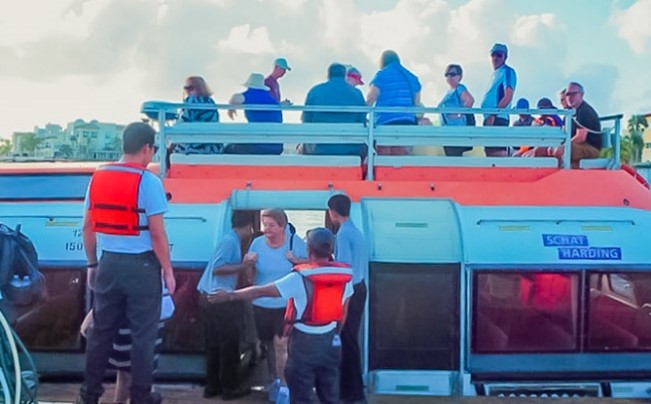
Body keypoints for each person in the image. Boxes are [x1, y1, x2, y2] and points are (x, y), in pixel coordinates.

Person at [76, 122, 176, 404]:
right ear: (146, 148)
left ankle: (88, 396)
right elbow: (157, 234)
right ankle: (141, 397)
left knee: (100, 334)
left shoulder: (98, 177)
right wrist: (168, 270)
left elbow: (87, 227)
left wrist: (92, 264)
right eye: (153, 150)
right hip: (142, 268)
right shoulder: (148, 182)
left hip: (108, 264)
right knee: (143, 337)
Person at [207, 228, 354, 404]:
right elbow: (343, 312)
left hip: (303, 343)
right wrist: (336, 334)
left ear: (309, 250)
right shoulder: (345, 277)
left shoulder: (299, 278)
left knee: (301, 394)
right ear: (331, 251)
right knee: (330, 395)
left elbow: (261, 291)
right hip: (330, 341)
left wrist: (230, 295)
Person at [248, 209, 308, 404]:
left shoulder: (295, 243)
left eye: (271, 225)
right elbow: (249, 278)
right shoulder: (257, 244)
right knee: (268, 346)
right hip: (261, 303)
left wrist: (297, 261)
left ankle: (284, 386)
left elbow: (315, 265)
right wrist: (248, 264)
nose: (267, 229)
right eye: (265, 225)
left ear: (282, 226)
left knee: (281, 344)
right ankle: (273, 380)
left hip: (286, 303)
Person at [196, 210, 255, 400]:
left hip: (208, 297)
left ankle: (212, 386)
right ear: (249, 226)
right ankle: (230, 387)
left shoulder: (230, 240)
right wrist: (243, 266)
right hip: (219, 299)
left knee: (214, 344)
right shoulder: (230, 242)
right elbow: (218, 268)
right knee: (229, 344)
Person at [327, 195, 368, 404]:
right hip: (360, 287)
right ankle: (354, 390)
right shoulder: (356, 231)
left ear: (332, 212)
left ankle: (351, 392)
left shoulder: (342, 235)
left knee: (346, 340)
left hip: (350, 291)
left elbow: (343, 270)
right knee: (351, 339)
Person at [299, 63, 367, 158]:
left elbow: (306, 121)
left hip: (319, 148)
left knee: (301, 147)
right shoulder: (357, 94)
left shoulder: (314, 91)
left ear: (328, 75)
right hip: (351, 149)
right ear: (344, 75)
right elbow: (362, 123)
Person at [366, 50, 422, 155]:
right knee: (400, 157)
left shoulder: (382, 75)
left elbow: (371, 98)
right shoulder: (412, 78)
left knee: (384, 158)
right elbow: (416, 103)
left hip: (385, 123)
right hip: (407, 123)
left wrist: (361, 115)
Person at [225, 73, 283, 155]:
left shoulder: (252, 94)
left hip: (260, 145)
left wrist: (231, 108)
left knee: (228, 148)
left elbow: (236, 98)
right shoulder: (270, 98)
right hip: (277, 147)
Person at [549, 82, 602, 166]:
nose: (570, 97)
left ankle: (560, 172)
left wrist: (563, 146)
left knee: (561, 150)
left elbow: (581, 137)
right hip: (577, 145)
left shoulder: (585, 111)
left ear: (581, 95)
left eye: (573, 94)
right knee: (545, 149)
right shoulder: (571, 113)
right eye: (567, 94)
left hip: (590, 147)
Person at [480, 43, 517, 157]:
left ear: (505, 57)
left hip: (498, 118)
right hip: (489, 118)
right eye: (493, 55)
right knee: (489, 152)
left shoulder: (507, 71)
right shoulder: (494, 74)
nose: (495, 58)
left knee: (497, 153)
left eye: (499, 55)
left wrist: (493, 114)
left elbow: (508, 96)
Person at [172, 76, 222, 155]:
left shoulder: (190, 102)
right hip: (212, 148)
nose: (187, 91)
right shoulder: (211, 102)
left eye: (190, 88)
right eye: (185, 88)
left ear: (199, 88)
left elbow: (181, 125)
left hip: (193, 148)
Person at [437, 64, 475, 157]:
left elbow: (469, 100)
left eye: (453, 74)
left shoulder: (459, 88)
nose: (449, 77)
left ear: (460, 76)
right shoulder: (449, 91)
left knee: (454, 157)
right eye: (447, 74)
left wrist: (458, 114)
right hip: (448, 131)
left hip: (457, 130)